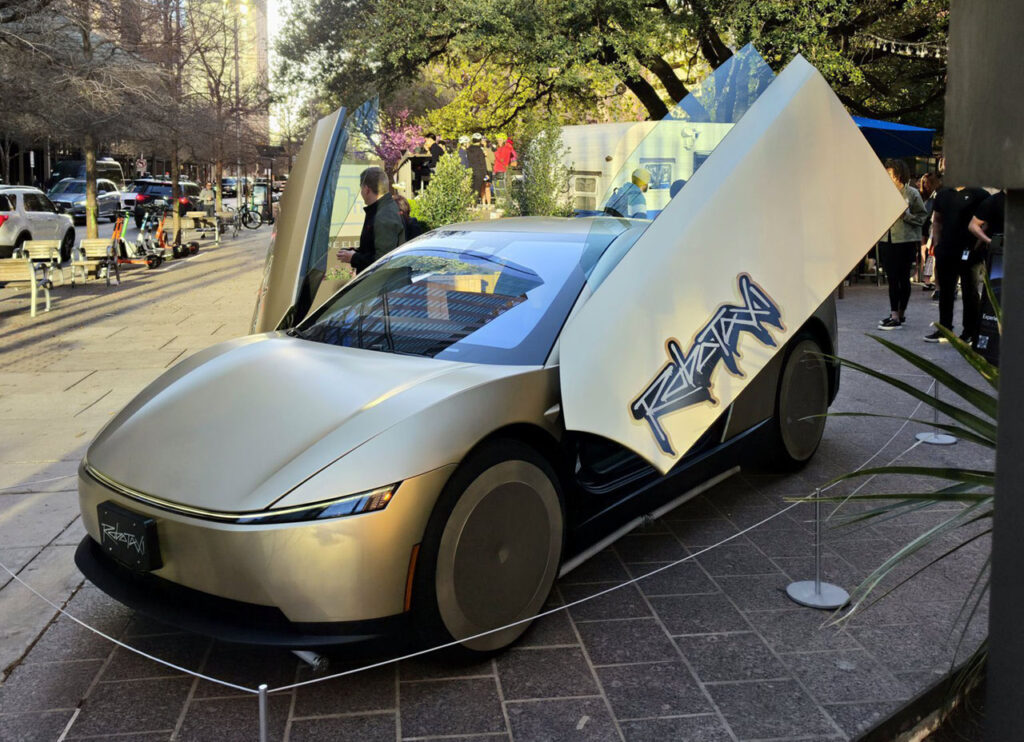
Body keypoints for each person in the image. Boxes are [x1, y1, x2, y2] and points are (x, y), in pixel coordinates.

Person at [925, 184, 990, 343]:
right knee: (945, 292)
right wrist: (938, 245)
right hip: (946, 250)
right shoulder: (943, 193)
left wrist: (978, 244)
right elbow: (937, 221)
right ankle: (945, 329)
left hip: (970, 252)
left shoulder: (980, 194)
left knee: (970, 292)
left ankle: (970, 331)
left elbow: (987, 221)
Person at [877, 160, 927, 330]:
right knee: (891, 278)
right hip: (887, 239)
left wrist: (906, 216)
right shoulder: (883, 193)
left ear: (899, 174)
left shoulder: (912, 193)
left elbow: (922, 217)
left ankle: (901, 313)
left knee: (903, 278)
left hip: (905, 240)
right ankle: (893, 314)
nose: (888, 177)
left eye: (890, 174)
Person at [336, 167, 405, 274]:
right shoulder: (383, 209)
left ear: (366, 189)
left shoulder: (383, 215)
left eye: (361, 188)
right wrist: (357, 252)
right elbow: (376, 249)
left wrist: (354, 258)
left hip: (382, 287)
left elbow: (382, 261)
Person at [918, 172, 942, 289]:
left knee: (929, 253)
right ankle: (927, 279)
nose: (925, 185)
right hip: (929, 227)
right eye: (924, 183)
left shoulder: (934, 196)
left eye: (927, 183)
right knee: (929, 253)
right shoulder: (933, 196)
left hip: (930, 227)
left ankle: (927, 279)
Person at [467, 133, 488, 204]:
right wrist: (486, 173)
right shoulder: (480, 150)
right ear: (480, 140)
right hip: (479, 171)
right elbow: (482, 162)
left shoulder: (468, 149)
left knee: (471, 188)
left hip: (470, 170)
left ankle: (469, 204)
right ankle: (474, 204)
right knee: (476, 189)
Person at [482, 137, 495, 205]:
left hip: (488, 170)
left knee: (487, 186)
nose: (483, 142)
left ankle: (489, 203)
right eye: (482, 141)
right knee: (482, 187)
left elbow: (493, 161)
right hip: (481, 170)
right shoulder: (478, 150)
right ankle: (483, 203)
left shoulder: (489, 150)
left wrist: (487, 156)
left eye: (484, 141)